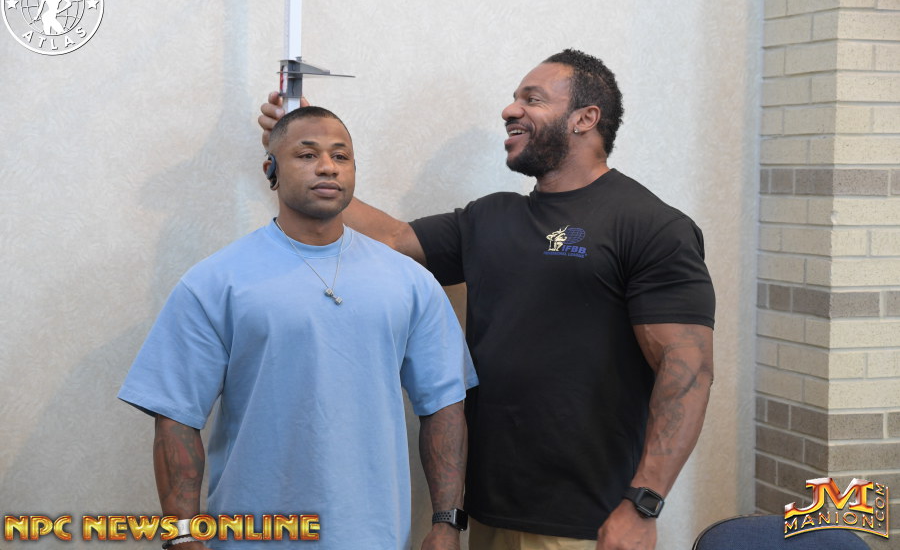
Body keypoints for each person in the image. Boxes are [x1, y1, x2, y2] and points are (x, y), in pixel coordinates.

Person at [258, 50, 715, 550]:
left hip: (590, 522)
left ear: (585, 119)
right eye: (515, 98)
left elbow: (687, 370)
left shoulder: (651, 225)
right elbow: (391, 239)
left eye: (532, 99)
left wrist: (643, 503)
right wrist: (307, 151)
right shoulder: (490, 218)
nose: (510, 110)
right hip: (489, 510)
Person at [119, 106, 478, 550]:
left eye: (340, 156)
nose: (327, 166)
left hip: (373, 536)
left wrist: (446, 522)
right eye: (307, 155)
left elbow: (444, 405)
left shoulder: (411, 282)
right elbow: (176, 416)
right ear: (270, 170)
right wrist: (182, 533)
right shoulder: (216, 281)